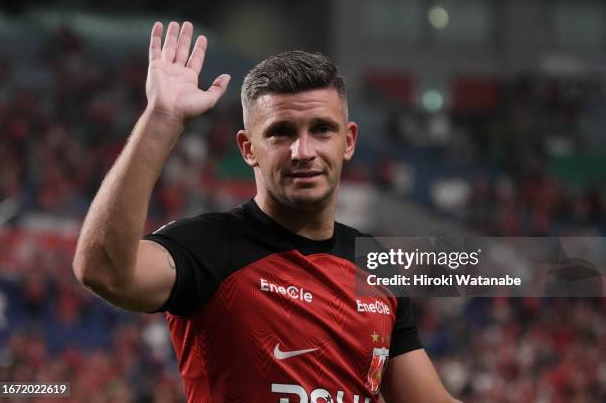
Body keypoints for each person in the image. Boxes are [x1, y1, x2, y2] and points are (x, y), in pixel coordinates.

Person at [73, 21, 460, 402]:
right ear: (247, 148)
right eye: (281, 132)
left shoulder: (374, 263)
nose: (303, 152)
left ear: (349, 140)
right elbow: (104, 271)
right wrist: (161, 120)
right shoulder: (209, 246)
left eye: (322, 129)